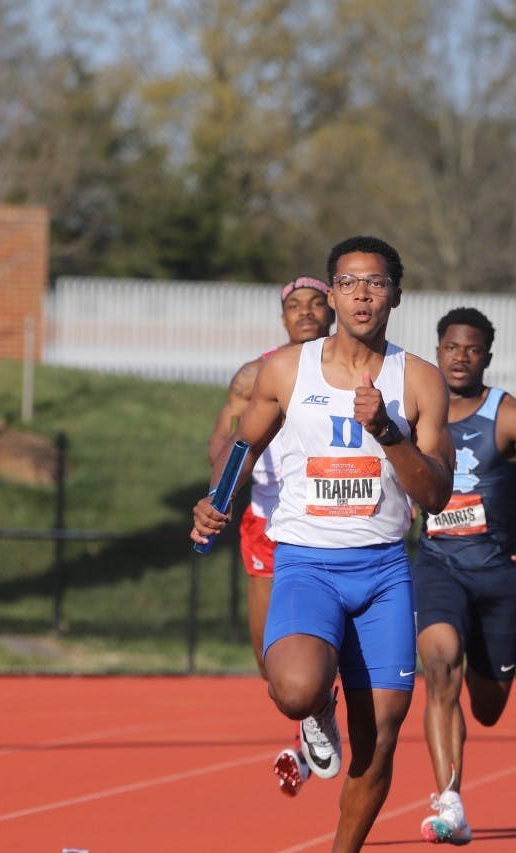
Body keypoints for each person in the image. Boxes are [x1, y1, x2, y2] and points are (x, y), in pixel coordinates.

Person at [191, 235, 454, 852]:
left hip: (384, 571)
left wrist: (389, 432)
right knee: (295, 690)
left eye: (377, 282)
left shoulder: (418, 379)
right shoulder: (286, 370)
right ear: (332, 293)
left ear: (396, 294)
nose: (363, 294)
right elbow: (244, 442)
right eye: (350, 282)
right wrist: (218, 501)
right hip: (308, 565)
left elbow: (436, 494)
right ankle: (317, 710)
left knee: (381, 737)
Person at [412, 307, 516, 845]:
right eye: (452, 348)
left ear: (486, 356)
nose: (461, 357)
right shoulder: (412, 412)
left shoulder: (511, 417)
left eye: (472, 349)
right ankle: (450, 801)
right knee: (439, 670)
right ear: (438, 352)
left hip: (498, 575)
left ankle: (485, 674)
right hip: (437, 565)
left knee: (487, 707)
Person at [206, 275, 334, 797]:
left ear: (331, 312)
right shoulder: (255, 374)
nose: (305, 313)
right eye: (294, 306)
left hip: (327, 520)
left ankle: (320, 712)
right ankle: (316, 709)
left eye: (315, 304)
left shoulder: (348, 370)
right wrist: (221, 488)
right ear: (283, 319)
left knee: (326, 645)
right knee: (269, 663)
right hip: (265, 521)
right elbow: (223, 434)